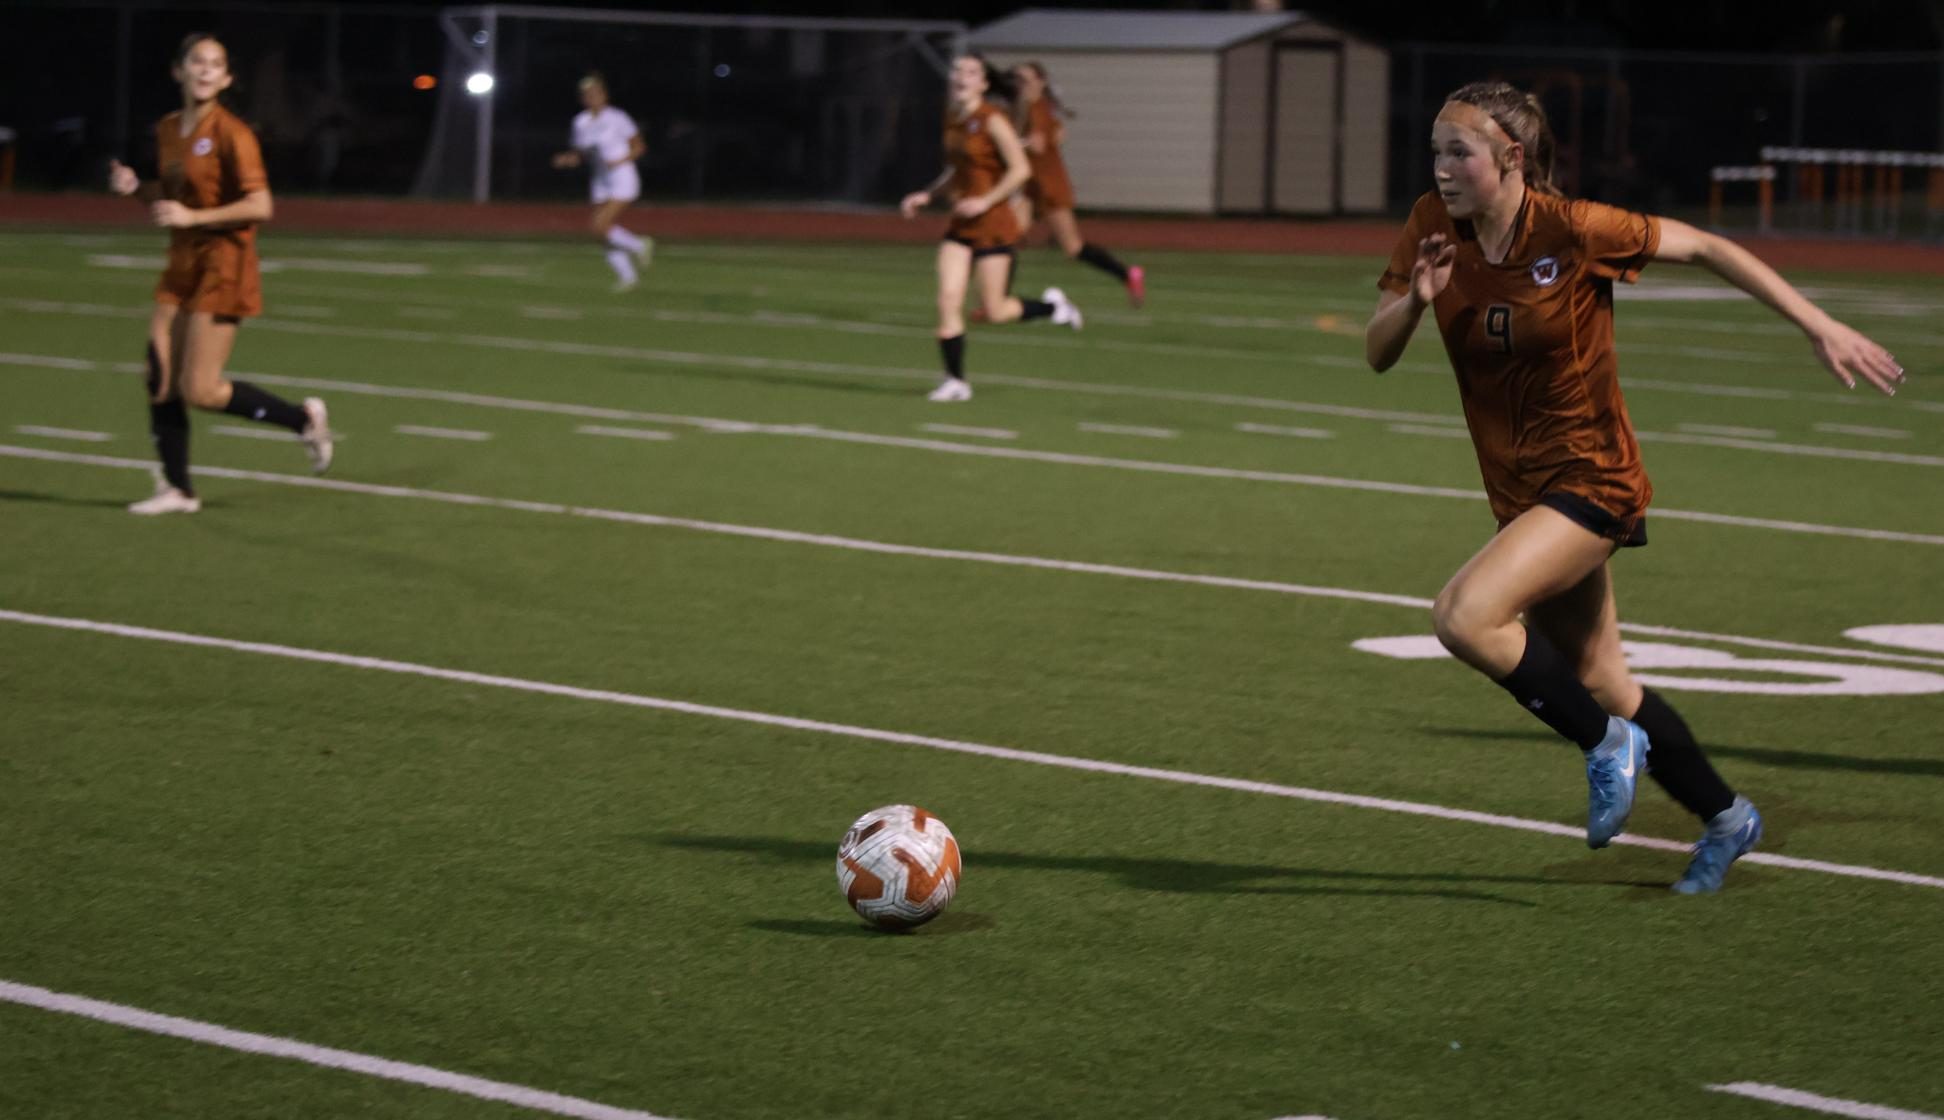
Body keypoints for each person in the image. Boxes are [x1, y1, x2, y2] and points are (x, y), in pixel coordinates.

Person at [1363, 81, 1905, 893]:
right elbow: (1376, 351)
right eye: (1435, 150)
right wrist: (1416, 300)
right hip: (1522, 493)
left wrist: (1818, 324)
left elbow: (1713, 248)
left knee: (1463, 616)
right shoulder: (1431, 227)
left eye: (1458, 152)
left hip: (1593, 478)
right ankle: (1727, 817)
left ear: (1511, 159)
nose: (1440, 168)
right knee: (1604, 681)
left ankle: (1605, 744)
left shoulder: (1577, 229)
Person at [107, 32, 332, 516]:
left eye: (216, 64)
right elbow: (171, 199)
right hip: (182, 263)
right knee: (158, 373)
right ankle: (178, 489)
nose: (206, 70)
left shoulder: (234, 133)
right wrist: (135, 189)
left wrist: (194, 220)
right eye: (198, 62)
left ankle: (302, 419)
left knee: (201, 391)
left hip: (224, 265)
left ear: (227, 78)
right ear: (179, 70)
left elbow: (261, 204)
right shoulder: (169, 128)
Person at [900, 55, 1081, 403]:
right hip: (961, 225)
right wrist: (928, 194)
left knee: (995, 311)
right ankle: (955, 381)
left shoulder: (993, 120)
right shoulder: (954, 119)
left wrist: (985, 201)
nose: (961, 77)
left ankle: (1054, 308)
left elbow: (1021, 170)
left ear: (983, 83)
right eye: (957, 71)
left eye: (971, 72)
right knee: (948, 300)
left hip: (994, 225)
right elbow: (958, 172)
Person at [1010, 62, 1145, 308]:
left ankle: (1127, 275)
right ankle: (996, 299)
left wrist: (1009, 144)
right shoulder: (1032, 107)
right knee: (1007, 238)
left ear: (1041, 82)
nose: (1020, 85)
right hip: (1033, 187)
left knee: (1073, 248)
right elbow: (1057, 135)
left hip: (1049, 187)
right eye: (1017, 80)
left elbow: (1038, 145)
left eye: (1026, 80)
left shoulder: (1037, 107)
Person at [552, 72, 652, 293]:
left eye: (596, 93)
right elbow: (580, 154)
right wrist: (566, 159)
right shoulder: (580, 122)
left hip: (622, 176)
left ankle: (639, 244)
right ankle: (628, 278)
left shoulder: (618, 118)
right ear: (582, 98)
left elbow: (639, 147)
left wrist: (620, 160)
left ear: (604, 95)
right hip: (600, 180)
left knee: (599, 224)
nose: (592, 97)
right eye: (587, 94)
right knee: (601, 232)